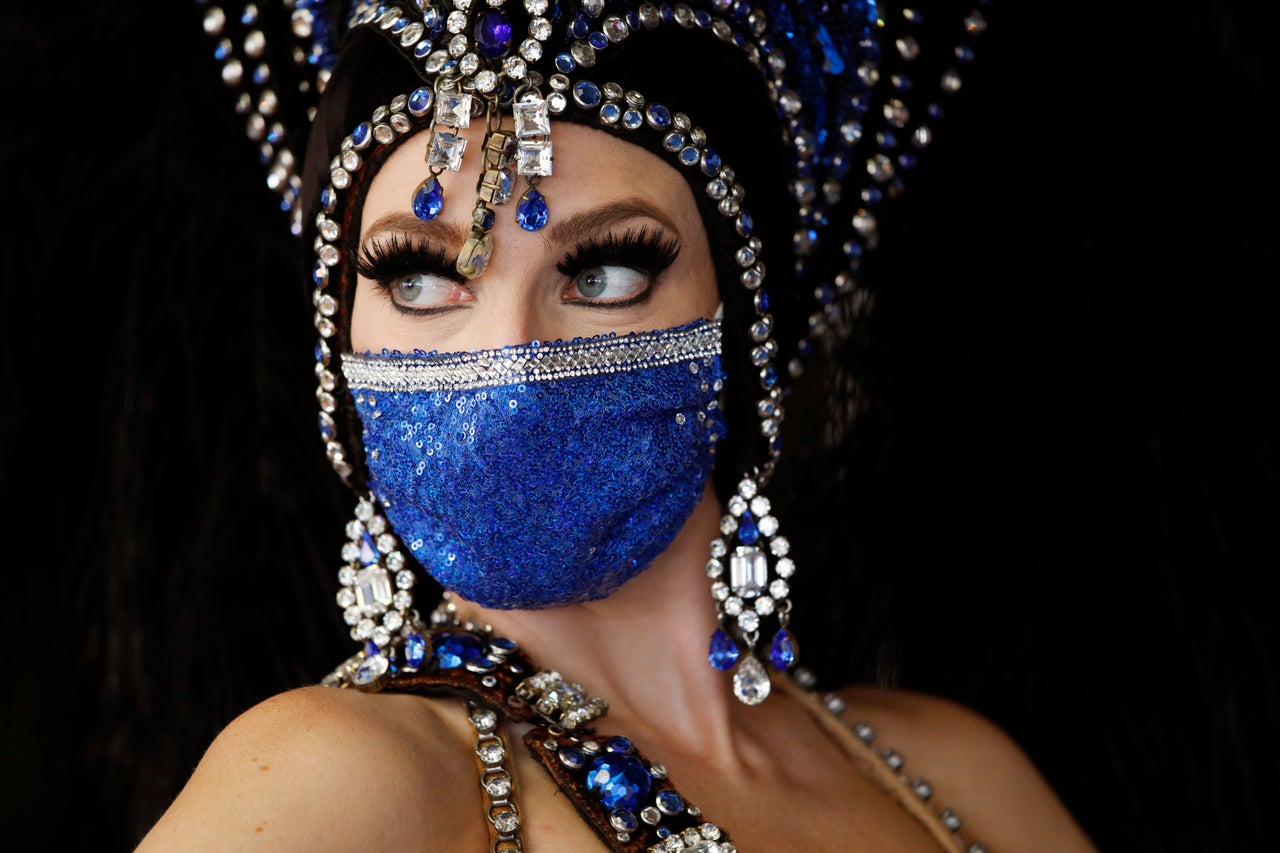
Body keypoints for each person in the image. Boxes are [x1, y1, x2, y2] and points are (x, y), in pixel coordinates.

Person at [132, 1, 1097, 849]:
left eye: (603, 273)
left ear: (746, 327)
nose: (508, 359)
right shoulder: (347, 772)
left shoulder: (955, 769)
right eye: (417, 277)